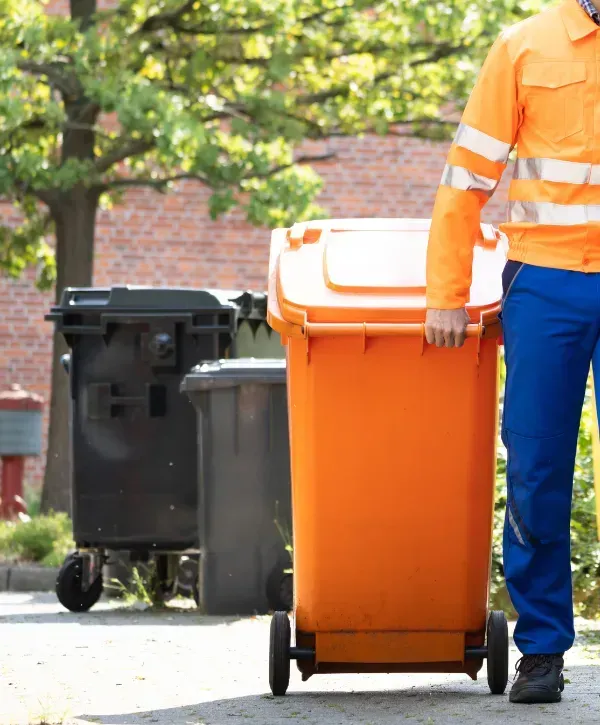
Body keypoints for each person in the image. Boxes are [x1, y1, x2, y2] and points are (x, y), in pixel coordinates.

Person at [425, 0, 600, 705]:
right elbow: (466, 177)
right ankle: (543, 649)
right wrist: (446, 290)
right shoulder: (524, 46)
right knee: (534, 464)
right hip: (545, 283)